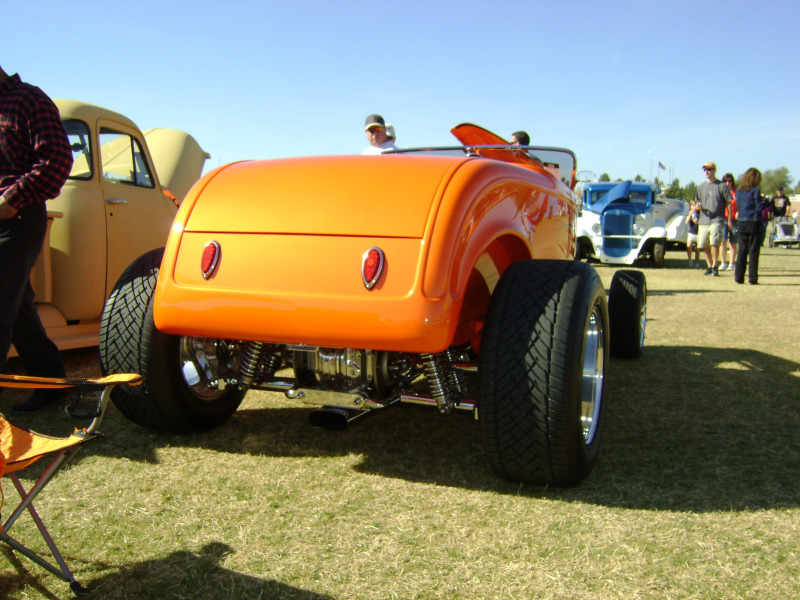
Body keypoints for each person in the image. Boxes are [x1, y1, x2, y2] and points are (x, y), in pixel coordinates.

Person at [0, 65, 74, 411]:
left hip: (18, 218)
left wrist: (11, 200)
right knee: (17, 308)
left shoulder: (29, 99)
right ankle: (51, 383)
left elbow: (57, 160)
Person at [695, 161, 732, 276]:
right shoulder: (701, 187)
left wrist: (730, 220)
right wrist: (697, 207)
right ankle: (709, 266)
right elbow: (697, 201)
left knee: (714, 242)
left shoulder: (721, 186)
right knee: (703, 243)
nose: (707, 172)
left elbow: (729, 203)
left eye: (709, 169)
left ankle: (715, 266)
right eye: (705, 170)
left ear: (714, 170)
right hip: (704, 219)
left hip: (717, 219)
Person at [733, 168, 764, 285]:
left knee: (742, 250)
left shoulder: (739, 191)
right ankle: (753, 277)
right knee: (753, 251)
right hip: (753, 222)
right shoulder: (755, 190)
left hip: (742, 222)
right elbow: (758, 207)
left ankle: (739, 277)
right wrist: (766, 203)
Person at [720, 173, 738, 270]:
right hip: (723, 219)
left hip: (734, 219)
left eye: (730, 181)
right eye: (726, 181)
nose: (728, 183)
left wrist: (738, 212)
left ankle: (732, 263)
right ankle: (723, 263)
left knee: (733, 242)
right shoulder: (721, 192)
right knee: (723, 241)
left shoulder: (736, 192)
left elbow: (740, 204)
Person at [685, 199, 701, 267]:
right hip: (691, 232)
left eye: (695, 205)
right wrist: (690, 214)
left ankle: (697, 261)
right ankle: (689, 260)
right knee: (689, 246)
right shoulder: (690, 213)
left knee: (697, 249)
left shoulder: (700, 214)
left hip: (698, 233)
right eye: (693, 206)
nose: (694, 207)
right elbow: (686, 222)